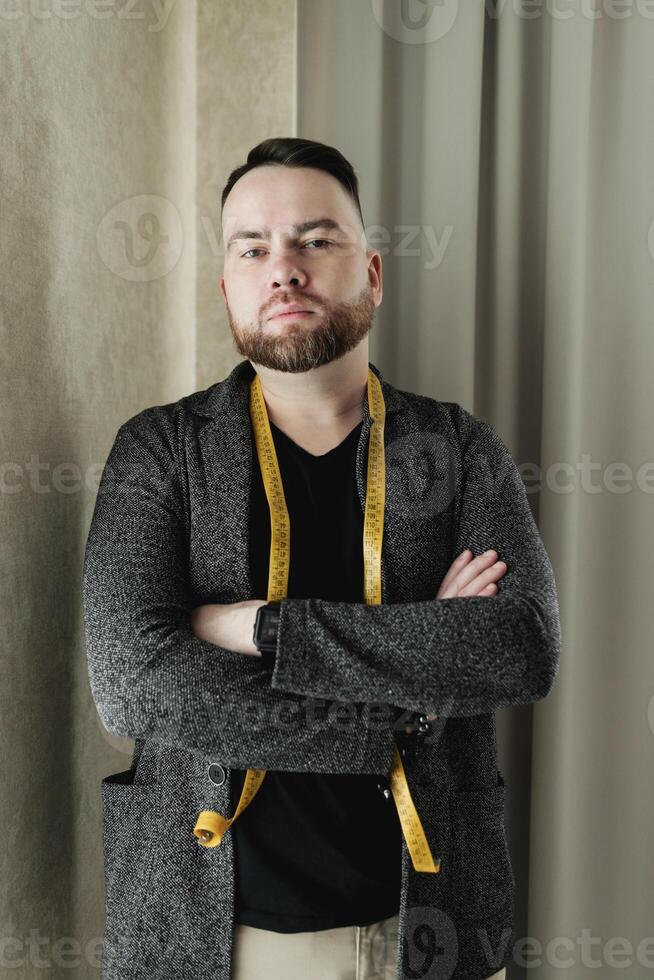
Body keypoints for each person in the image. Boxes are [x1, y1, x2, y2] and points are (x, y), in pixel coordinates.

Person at [84, 137, 560, 979]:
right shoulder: (156, 451)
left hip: (436, 925)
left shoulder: (457, 445)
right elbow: (133, 680)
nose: (284, 268)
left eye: (316, 240)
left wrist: (259, 629)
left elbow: (518, 647)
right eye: (253, 247)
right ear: (227, 284)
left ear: (372, 272)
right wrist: (407, 699)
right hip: (216, 934)